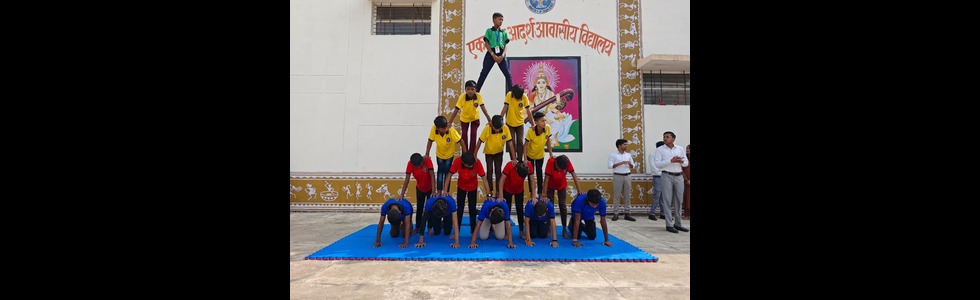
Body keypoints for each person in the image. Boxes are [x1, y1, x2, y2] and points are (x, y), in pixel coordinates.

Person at [444, 152, 492, 234]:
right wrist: (445, 190)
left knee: (472, 209)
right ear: (463, 163)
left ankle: (473, 231)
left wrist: (488, 194)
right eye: (469, 165)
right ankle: (456, 231)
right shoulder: (457, 161)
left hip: (473, 188)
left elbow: (484, 178)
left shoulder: (477, 162)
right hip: (461, 187)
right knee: (459, 209)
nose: (471, 166)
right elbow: (449, 175)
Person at [654, 131, 689, 233]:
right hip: (666, 175)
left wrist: (681, 161)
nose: (665, 139)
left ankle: (678, 223)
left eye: (667, 137)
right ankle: (669, 224)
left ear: (673, 138)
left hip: (679, 175)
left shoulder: (680, 149)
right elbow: (657, 164)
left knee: (679, 200)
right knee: (667, 200)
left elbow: (686, 163)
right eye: (664, 137)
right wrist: (671, 161)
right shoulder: (660, 150)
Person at [474, 115, 517, 198]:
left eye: (499, 128)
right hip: (489, 153)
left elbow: (510, 143)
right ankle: (489, 191)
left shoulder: (505, 128)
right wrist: (475, 155)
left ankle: (498, 191)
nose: (497, 130)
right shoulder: (487, 128)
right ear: (491, 125)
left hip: (499, 153)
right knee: (489, 171)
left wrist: (514, 158)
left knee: (498, 171)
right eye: (495, 128)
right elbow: (479, 142)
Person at [425, 115, 467, 198]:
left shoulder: (451, 130)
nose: (445, 129)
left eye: (445, 128)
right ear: (437, 128)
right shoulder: (433, 129)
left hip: (449, 155)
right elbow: (430, 141)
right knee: (440, 172)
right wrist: (427, 153)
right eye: (443, 129)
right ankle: (439, 191)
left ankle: (446, 191)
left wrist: (464, 155)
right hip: (439, 154)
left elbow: (461, 141)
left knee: (447, 173)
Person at [541, 155, 582, 238]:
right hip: (550, 186)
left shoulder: (567, 161)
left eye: (562, 169)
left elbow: (574, 175)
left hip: (561, 185)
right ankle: (548, 228)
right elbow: (546, 179)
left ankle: (564, 229)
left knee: (563, 206)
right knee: (549, 205)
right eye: (558, 168)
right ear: (556, 163)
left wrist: (579, 190)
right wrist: (544, 195)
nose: (560, 170)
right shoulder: (551, 161)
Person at [448, 80, 492, 154]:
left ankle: (471, 153)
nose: (470, 91)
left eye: (472, 89)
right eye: (468, 89)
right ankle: (465, 153)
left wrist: (489, 120)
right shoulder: (462, 97)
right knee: (464, 134)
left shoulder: (478, 96)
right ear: (465, 90)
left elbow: (483, 108)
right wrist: (450, 122)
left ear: (475, 90)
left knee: (473, 134)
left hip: (475, 118)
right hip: (464, 119)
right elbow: (456, 109)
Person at [474, 12, 513, 93]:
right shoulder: (489, 31)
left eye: (502, 20)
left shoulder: (503, 32)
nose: (501, 22)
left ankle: (512, 92)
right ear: (494, 20)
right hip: (491, 52)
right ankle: (476, 91)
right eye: (499, 20)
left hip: (501, 53)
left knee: (507, 74)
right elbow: (486, 43)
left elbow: (505, 45)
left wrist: (502, 55)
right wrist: (492, 54)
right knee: (484, 72)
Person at [497, 159, 536, 238]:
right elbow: (501, 180)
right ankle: (507, 232)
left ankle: (521, 231)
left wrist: (534, 196)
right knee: (507, 209)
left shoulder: (529, 165)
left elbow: (532, 180)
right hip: (507, 189)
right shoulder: (510, 165)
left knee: (520, 209)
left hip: (519, 190)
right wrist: (501, 195)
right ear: (516, 169)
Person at [399, 153, 436, 235]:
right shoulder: (410, 164)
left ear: (422, 161)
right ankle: (418, 227)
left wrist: (433, 191)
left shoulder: (427, 160)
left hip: (430, 188)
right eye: (416, 166)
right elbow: (406, 180)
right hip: (420, 188)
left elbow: (432, 176)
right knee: (419, 208)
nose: (418, 167)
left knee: (429, 209)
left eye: (420, 165)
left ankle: (430, 228)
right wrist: (402, 194)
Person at [500, 84, 533, 162]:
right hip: (510, 123)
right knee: (511, 142)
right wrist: (500, 120)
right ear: (513, 94)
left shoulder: (524, 97)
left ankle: (520, 160)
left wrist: (533, 124)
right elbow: (505, 108)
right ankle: (513, 160)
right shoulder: (509, 95)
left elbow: (529, 111)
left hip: (520, 123)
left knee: (520, 142)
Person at [524, 111, 553, 196]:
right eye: (542, 121)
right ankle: (531, 193)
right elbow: (525, 145)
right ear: (536, 122)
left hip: (540, 156)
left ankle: (540, 193)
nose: (544, 123)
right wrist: (525, 159)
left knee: (539, 173)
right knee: (531, 175)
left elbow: (548, 142)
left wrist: (551, 154)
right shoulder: (531, 131)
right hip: (530, 156)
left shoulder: (547, 128)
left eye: (545, 120)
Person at [607, 138, 636, 221]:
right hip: (617, 176)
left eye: (626, 144)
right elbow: (609, 166)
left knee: (627, 195)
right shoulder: (613, 154)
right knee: (617, 195)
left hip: (627, 175)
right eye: (624, 144)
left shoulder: (628, 155)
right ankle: (616, 213)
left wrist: (630, 164)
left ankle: (627, 213)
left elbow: (633, 165)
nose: (626, 146)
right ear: (619, 146)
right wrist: (621, 163)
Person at [647, 141, 665, 220]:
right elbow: (653, 166)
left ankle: (663, 213)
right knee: (657, 195)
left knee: (663, 196)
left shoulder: (664, 155)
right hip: (657, 176)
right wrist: (661, 172)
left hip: (665, 177)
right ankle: (652, 213)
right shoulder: (652, 154)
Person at [682, 144, 691, 220]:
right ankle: (686, 215)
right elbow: (681, 170)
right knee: (686, 198)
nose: (687, 150)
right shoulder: (684, 159)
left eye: (689, 148)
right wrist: (686, 180)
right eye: (687, 148)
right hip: (686, 182)